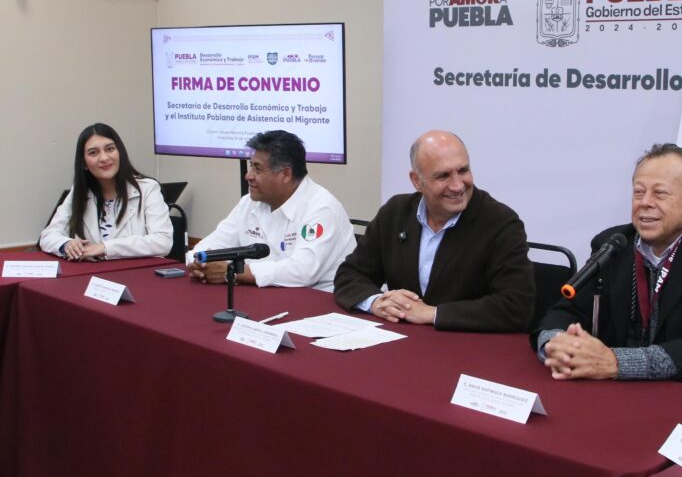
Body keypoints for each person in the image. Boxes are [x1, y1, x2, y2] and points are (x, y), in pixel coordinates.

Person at [535, 143, 682, 380]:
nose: (645, 202)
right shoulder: (612, 244)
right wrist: (556, 346)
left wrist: (617, 363)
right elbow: (566, 310)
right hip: (621, 390)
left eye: (659, 193)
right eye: (638, 192)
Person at [334, 130, 534, 332]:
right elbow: (350, 275)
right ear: (416, 181)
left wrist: (432, 313)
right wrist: (377, 302)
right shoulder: (395, 212)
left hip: (467, 345)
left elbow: (517, 306)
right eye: (443, 176)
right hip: (400, 340)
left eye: (463, 171)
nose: (457, 185)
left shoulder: (500, 222)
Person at [187, 130, 355, 292]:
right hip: (265, 295)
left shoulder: (321, 208)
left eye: (258, 169)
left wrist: (234, 272)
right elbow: (208, 246)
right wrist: (200, 264)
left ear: (286, 174)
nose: (248, 176)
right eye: (251, 166)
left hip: (318, 301)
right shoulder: (248, 203)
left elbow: (303, 271)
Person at [40, 123, 172, 260]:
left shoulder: (148, 188)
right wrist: (66, 244)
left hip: (138, 271)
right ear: (84, 163)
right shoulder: (80, 192)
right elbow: (48, 236)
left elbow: (163, 242)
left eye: (110, 149)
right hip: (95, 272)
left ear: (120, 153)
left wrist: (105, 248)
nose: (104, 158)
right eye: (93, 153)